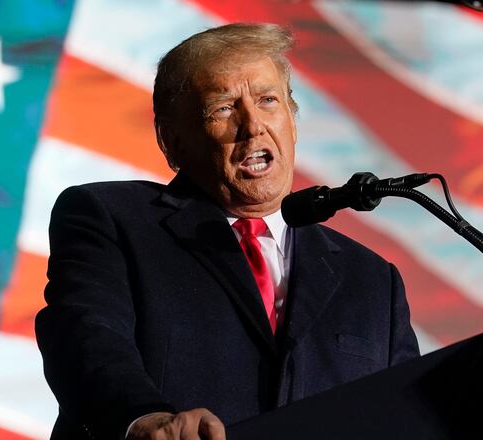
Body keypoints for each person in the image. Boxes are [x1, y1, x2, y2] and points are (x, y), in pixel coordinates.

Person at [35, 23, 419, 440]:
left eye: (268, 100)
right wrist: (143, 419)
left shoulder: (373, 281)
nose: (252, 125)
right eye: (223, 108)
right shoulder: (111, 218)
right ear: (172, 141)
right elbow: (84, 336)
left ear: (292, 120)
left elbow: (406, 411)